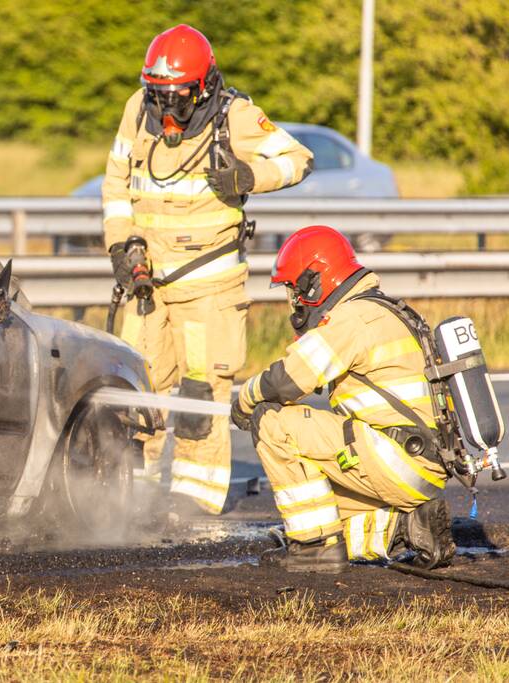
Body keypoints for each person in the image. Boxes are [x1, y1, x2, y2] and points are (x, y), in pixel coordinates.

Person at [101, 24, 313, 513]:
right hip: (148, 281)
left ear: (202, 89)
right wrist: (122, 246)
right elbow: (116, 185)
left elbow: (298, 160)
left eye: (176, 100)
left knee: (200, 389)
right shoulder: (138, 109)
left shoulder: (234, 117)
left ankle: (194, 497)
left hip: (209, 284)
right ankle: (132, 490)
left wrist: (249, 175)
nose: (165, 112)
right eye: (159, 96)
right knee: (138, 384)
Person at [231, 225, 456, 572]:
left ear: (314, 282)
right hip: (417, 466)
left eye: (295, 290)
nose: (294, 302)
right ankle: (408, 527)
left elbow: (288, 379)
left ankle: (313, 549)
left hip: (396, 457)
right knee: (322, 511)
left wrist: (244, 399)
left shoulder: (352, 319)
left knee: (272, 420)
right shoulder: (380, 309)